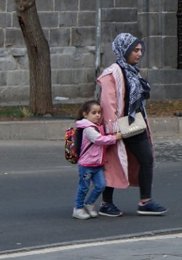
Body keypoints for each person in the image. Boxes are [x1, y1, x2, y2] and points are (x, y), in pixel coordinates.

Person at [96, 32, 168, 216]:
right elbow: (108, 103)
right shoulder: (111, 74)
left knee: (146, 158)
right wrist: (113, 131)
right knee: (113, 162)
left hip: (134, 122)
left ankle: (146, 201)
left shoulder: (134, 72)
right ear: (125, 50)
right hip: (117, 125)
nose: (139, 54)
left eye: (140, 50)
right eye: (135, 50)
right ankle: (106, 203)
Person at [71, 100, 118, 219]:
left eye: (99, 112)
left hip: (97, 165)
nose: (97, 115)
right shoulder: (88, 129)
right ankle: (78, 208)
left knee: (101, 186)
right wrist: (115, 138)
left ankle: (89, 203)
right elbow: (99, 140)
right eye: (94, 113)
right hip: (86, 165)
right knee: (83, 187)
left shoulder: (96, 127)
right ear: (85, 114)